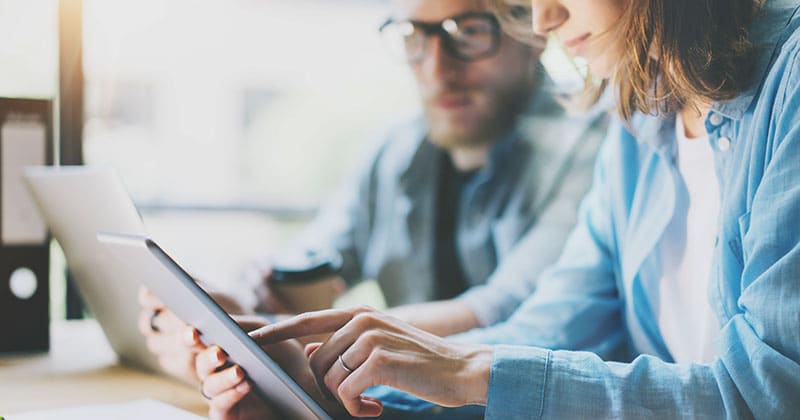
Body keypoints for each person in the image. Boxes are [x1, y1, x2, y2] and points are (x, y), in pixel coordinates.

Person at [203, 0, 800, 417]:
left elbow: (762, 401)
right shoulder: (643, 116)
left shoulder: (790, 85)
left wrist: (467, 372)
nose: (543, 19)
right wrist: (317, 394)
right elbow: (548, 327)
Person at [139, 0, 608, 387]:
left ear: (532, 32)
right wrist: (228, 308)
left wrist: (275, 337)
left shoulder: (593, 146)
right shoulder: (395, 151)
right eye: (414, 38)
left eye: (469, 32)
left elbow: (516, 310)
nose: (437, 67)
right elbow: (313, 260)